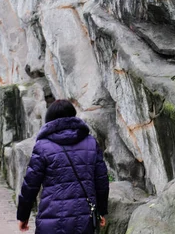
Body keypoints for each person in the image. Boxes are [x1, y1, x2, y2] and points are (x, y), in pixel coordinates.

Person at [17, 99, 109, 233]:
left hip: (51, 219)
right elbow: (101, 180)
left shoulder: (43, 146)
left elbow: (30, 185)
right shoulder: (90, 143)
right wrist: (101, 210)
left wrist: (23, 216)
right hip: (83, 219)